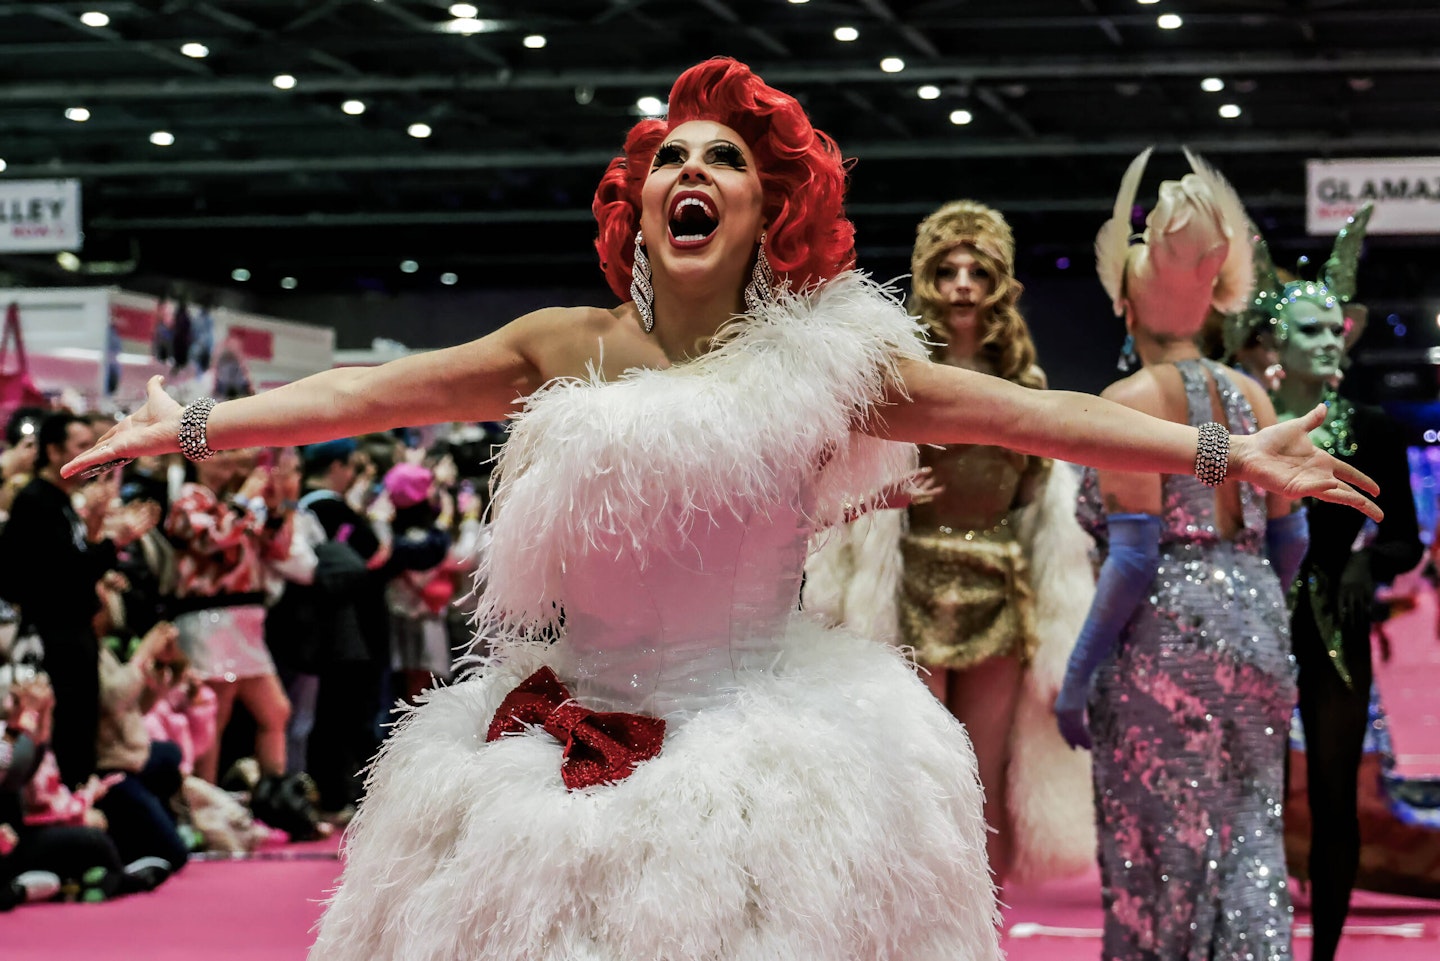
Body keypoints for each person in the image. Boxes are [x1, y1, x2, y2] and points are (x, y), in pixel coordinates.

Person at [65, 60, 1378, 961]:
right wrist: (182, 423)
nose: (689, 171)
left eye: (724, 161)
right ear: (641, 206)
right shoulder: (562, 339)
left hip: (767, 749)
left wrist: (1223, 444)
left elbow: (1019, 415)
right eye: (667, 159)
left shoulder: (830, 366)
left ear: (767, 209)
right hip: (550, 742)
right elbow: (363, 392)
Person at [1054, 148, 1304, 960]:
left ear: (1124, 302)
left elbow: (1133, 557)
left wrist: (1079, 675)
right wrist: (1252, 608)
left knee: (1160, 838)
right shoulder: (1253, 398)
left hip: (1165, 634)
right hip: (1261, 620)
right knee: (1249, 831)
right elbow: (1289, 535)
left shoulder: (1130, 406)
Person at [1245, 205, 1423, 960]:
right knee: (1258, 800)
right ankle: (1261, 940)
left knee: (1334, 798)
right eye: (1312, 329)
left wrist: (1361, 558)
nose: (1332, 340)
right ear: (1276, 344)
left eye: (1335, 327)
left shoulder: (1375, 427)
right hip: (1252, 617)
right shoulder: (1246, 421)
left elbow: (1408, 541)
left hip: (1336, 624)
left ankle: (1325, 950)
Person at [0, 413, 155, 786]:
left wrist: (99, 531)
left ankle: (78, 802)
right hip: (55, 638)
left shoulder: (59, 499)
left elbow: (73, 565)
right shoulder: (37, 501)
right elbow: (64, 574)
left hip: (72, 634)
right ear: (53, 451)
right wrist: (113, 543)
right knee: (66, 732)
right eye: (80, 445)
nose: (91, 453)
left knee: (79, 728)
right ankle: (67, 809)